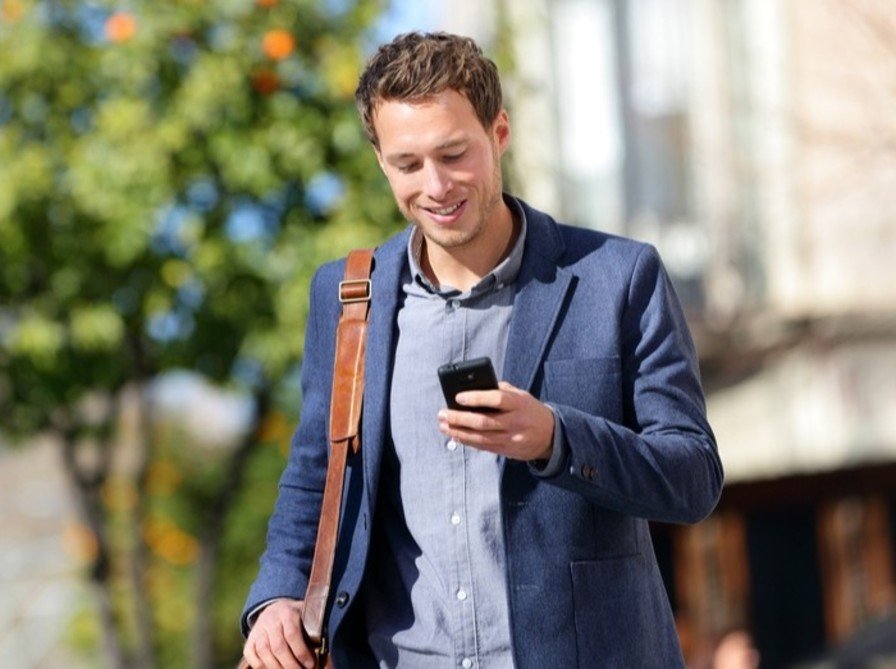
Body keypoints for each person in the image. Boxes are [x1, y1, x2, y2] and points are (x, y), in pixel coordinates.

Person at [241, 31, 722, 668]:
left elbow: (693, 478)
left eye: (453, 154)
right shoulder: (348, 297)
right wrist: (277, 597)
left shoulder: (619, 277)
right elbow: (315, 475)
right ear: (381, 161)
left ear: (499, 133)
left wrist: (555, 439)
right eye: (408, 164)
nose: (435, 185)